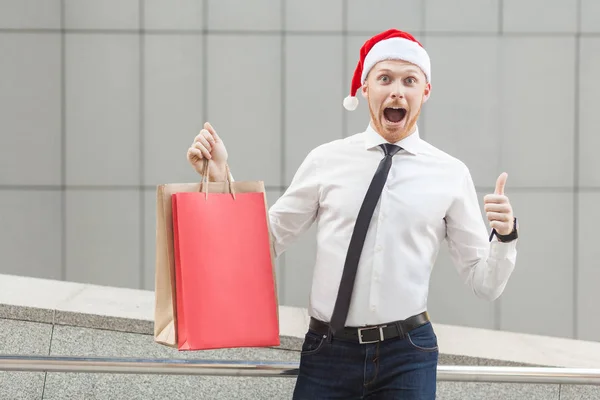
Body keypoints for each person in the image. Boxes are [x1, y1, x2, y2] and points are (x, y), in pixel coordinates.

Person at [186, 28, 518, 400]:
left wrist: (504, 237)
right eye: (384, 79)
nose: (397, 91)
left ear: (425, 91)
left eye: (409, 80)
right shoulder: (326, 160)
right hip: (328, 351)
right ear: (365, 90)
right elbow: (264, 243)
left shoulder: (451, 173)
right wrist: (220, 179)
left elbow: (484, 284)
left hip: (407, 354)